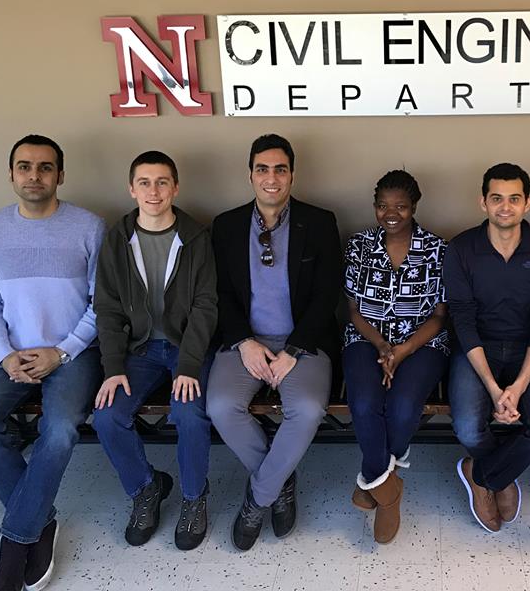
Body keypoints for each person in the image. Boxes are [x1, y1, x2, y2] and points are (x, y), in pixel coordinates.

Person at [0, 135, 105, 591]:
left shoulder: (89, 226)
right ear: (11, 174)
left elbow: (102, 302)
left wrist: (62, 351)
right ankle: (40, 520)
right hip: (11, 353)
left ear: (60, 175)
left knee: (59, 429)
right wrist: (4, 354)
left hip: (73, 353)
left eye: (45, 167)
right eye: (24, 166)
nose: (34, 175)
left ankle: (15, 541)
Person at [206, 133, 341, 551]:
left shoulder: (319, 222)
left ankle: (259, 497)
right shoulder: (227, 226)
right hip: (245, 341)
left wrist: (294, 350)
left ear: (292, 175)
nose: (271, 177)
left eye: (280, 169)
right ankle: (280, 480)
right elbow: (219, 293)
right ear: (250, 175)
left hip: (304, 342)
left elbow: (327, 293)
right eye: (262, 169)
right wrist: (243, 341)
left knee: (308, 409)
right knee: (220, 407)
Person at [91, 151, 218, 551]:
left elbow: (205, 306)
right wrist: (113, 367)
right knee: (107, 416)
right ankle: (146, 488)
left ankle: (194, 498)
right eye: (144, 182)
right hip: (140, 350)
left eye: (162, 182)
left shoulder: (196, 237)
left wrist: (190, 364)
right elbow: (108, 308)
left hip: (187, 348)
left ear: (175, 188)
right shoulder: (117, 240)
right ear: (131, 189)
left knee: (189, 413)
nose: (153, 191)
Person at [443, 162, 530, 533]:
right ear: (483, 202)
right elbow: (463, 321)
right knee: (467, 429)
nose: (505, 207)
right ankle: (504, 477)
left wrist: (518, 386)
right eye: (497, 198)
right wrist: (496, 391)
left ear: (527, 203)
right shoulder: (462, 249)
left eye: (514, 198)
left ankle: (484, 475)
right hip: (476, 350)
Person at [342, 170, 449, 543]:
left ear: (414, 207)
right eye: (383, 206)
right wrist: (382, 347)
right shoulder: (359, 245)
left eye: (400, 206)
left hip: (422, 342)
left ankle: (373, 477)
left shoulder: (437, 249)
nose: (391, 214)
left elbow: (439, 316)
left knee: (403, 407)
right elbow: (354, 310)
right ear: (375, 207)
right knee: (364, 402)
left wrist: (402, 350)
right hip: (365, 338)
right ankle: (388, 493)